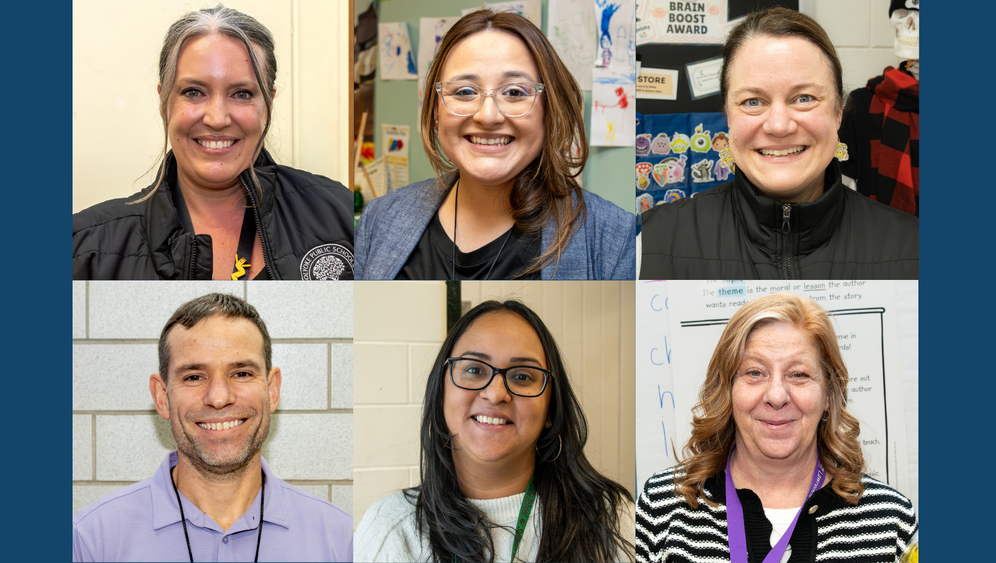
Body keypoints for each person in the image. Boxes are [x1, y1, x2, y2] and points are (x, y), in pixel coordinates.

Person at [73, 5, 354, 280]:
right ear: (163, 101)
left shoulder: (338, 213)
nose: (217, 118)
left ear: (268, 104)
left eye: (242, 94)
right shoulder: (86, 249)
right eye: (193, 92)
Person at [635, 293, 917, 562]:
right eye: (755, 372)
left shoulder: (891, 522)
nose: (777, 396)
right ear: (728, 390)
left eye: (799, 374)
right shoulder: (661, 507)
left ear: (829, 395)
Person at [355, 10, 636, 280]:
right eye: (464, 92)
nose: (488, 116)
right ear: (435, 110)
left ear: (550, 110)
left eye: (514, 92)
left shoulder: (615, 237)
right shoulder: (380, 218)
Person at [639, 8, 918, 280]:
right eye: (753, 102)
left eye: (804, 98)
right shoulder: (649, 243)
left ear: (838, 112)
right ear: (728, 116)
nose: (779, 126)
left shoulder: (913, 248)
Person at [72, 293, 352, 561]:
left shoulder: (341, 540)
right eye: (194, 377)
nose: (219, 397)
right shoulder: (89, 541)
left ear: (272, 390)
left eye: (241, 373)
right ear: (162, 397)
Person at [355, 300, 636, 561]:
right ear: (441, 392)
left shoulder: (612, 520)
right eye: (475, 370)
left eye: (522, 376)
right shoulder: (389, 527)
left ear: (551, 409)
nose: (495, 393)